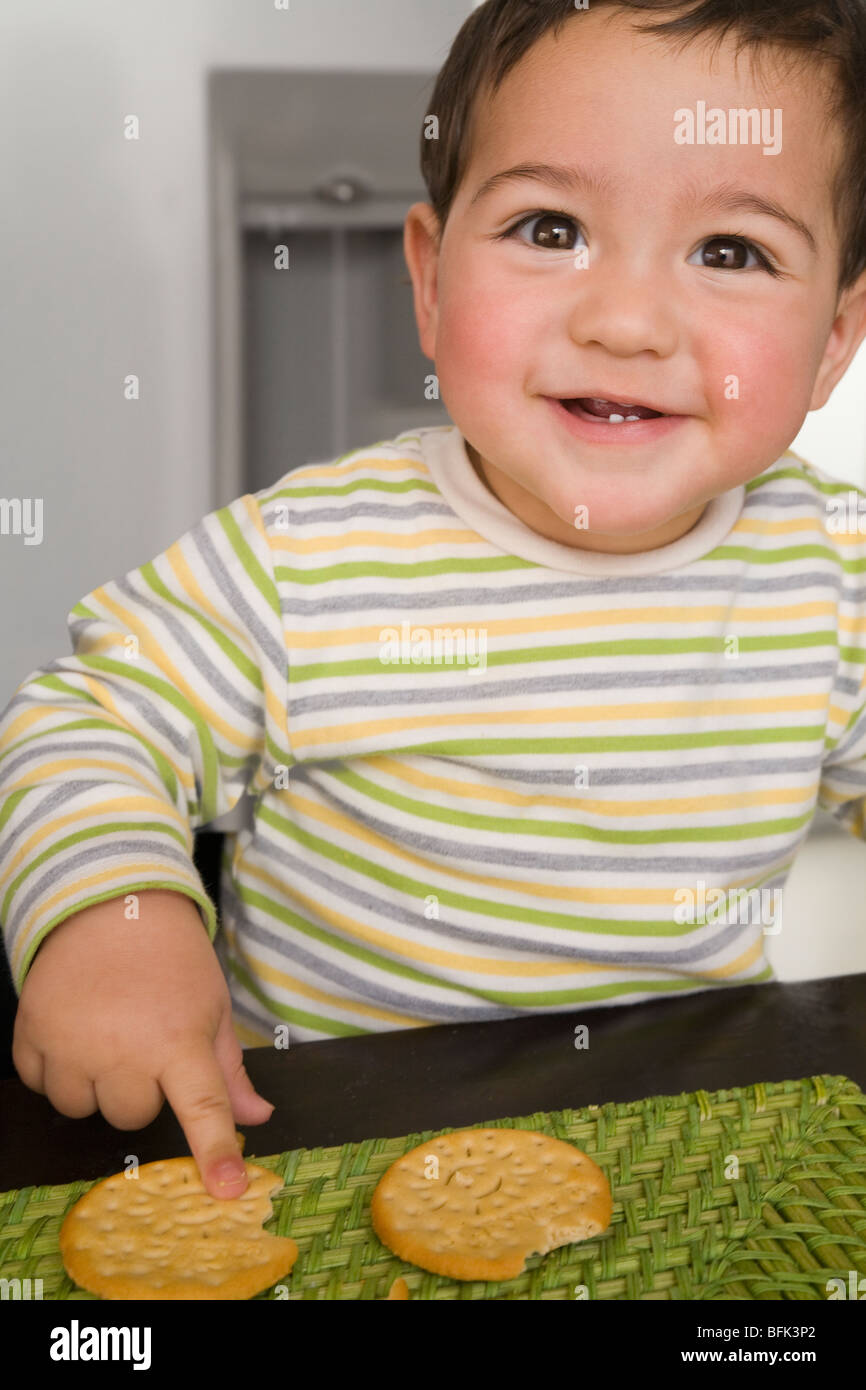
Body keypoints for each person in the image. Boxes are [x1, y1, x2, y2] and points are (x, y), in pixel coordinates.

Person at [2, 0, 866, 1201]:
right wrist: (119, 916)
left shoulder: (830, 567)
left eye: (730, 251)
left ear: (832, 339)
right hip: (322, 1159)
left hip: (677, 1162)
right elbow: (89, 716)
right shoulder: (305, 557)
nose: (623, 321)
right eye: (548, 226)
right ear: (430, 274)